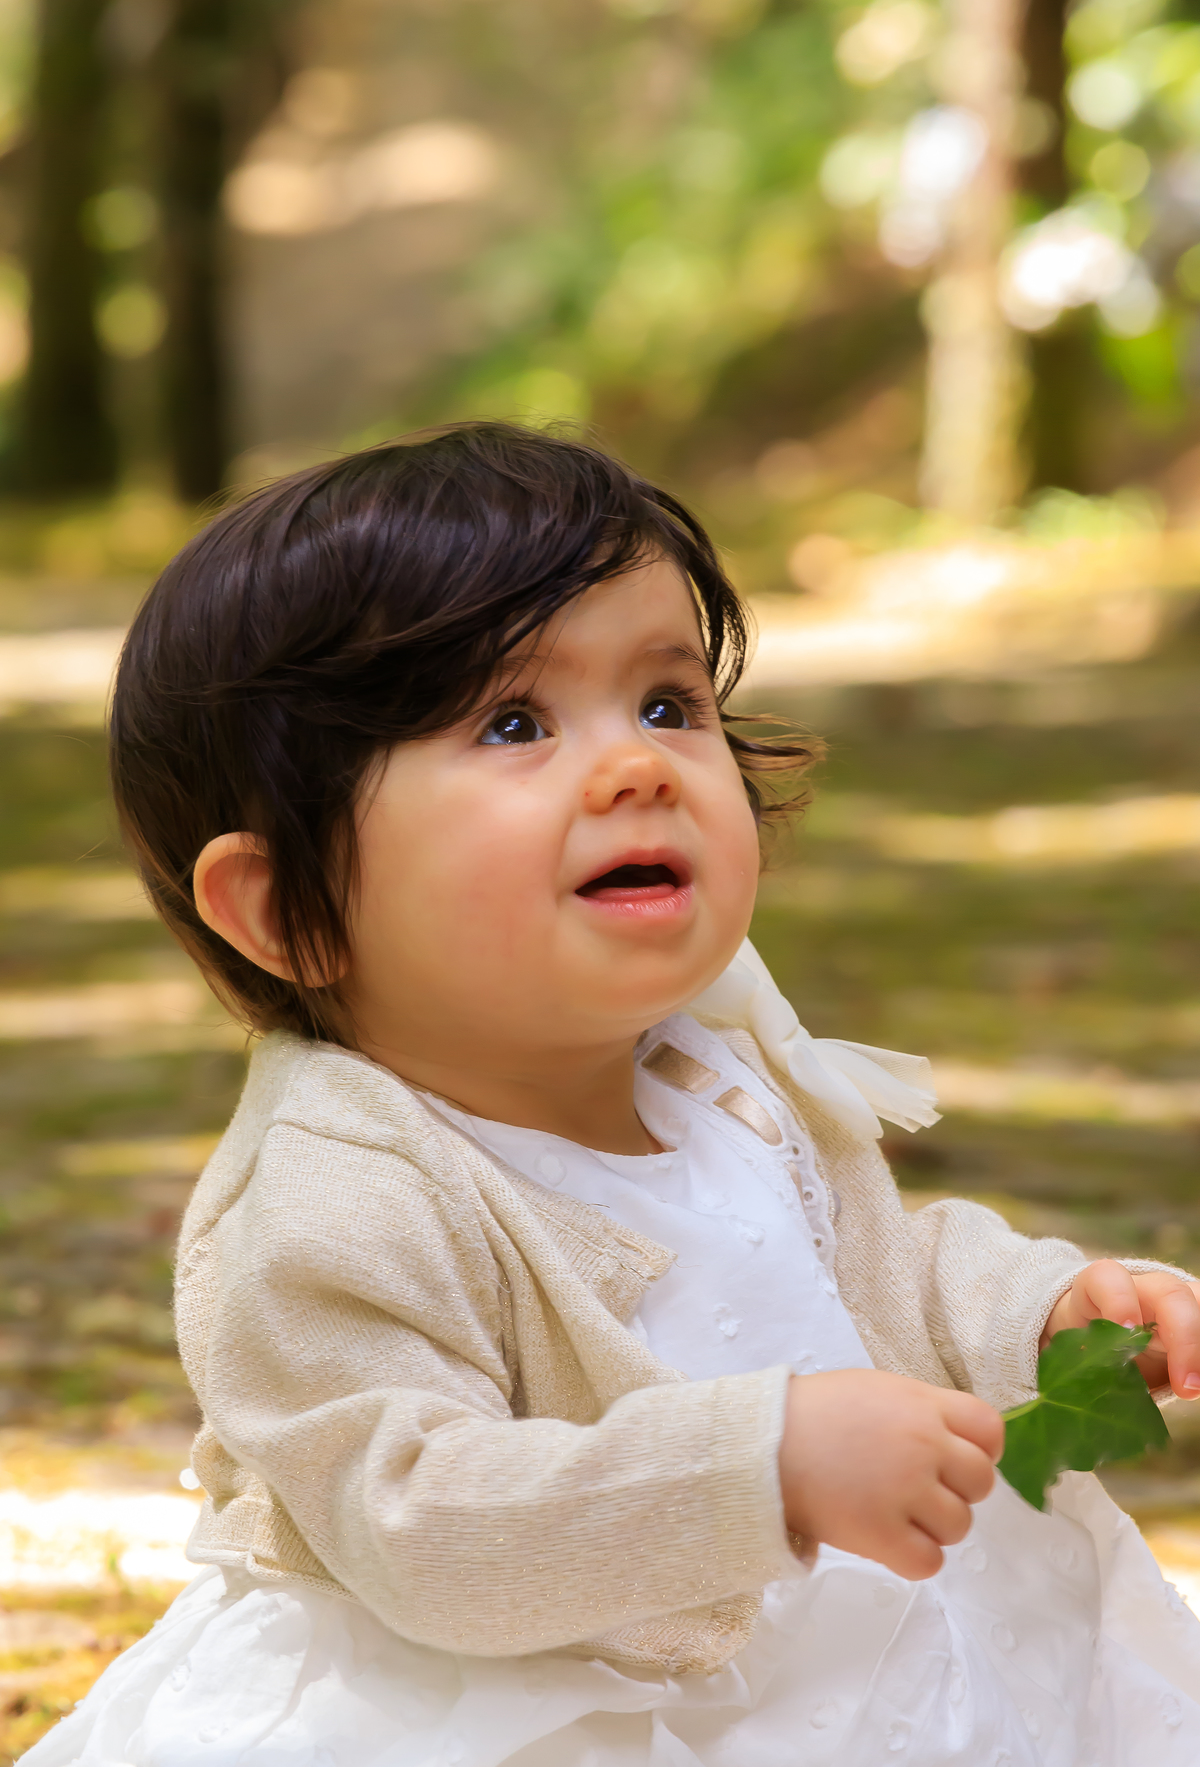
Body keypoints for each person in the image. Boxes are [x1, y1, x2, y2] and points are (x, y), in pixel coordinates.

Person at [24, 424, 1200, 1767]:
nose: (638, 764)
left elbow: (868, 1274)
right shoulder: (333, 1198)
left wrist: (1042, 1309)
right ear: (290, 907)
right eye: (515, 723)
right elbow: (421, 1518)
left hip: (837, 1652)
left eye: (667, 703)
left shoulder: (715, 1080)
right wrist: (753, 1467)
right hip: (546, 1706)